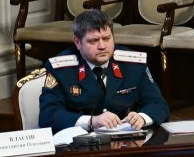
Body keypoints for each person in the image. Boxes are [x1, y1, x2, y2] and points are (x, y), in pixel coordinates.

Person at [38, 9, 170, 133]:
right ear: (77, 42)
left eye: (107, 39)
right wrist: (91, 121)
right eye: (93, 41)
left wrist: (142, 118)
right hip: (82, 143)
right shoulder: (61, 69)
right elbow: (48, 116)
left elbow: (158, 104)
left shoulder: (132, 64)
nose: (102, 46)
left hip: (127, 141)